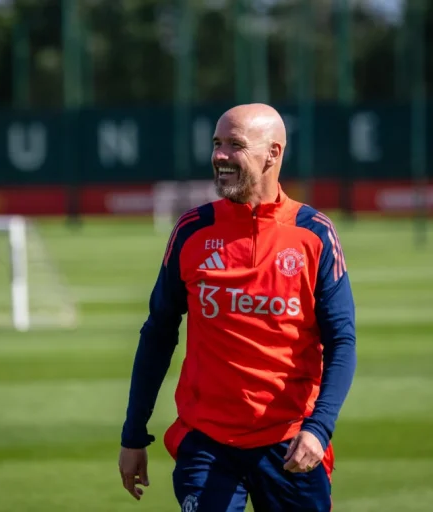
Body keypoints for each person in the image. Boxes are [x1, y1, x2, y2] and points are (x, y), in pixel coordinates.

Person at [118, 103, 357, 511]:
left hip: (290, 443)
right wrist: (133, 433)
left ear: (273, 153)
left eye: (235, 145)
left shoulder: (314, 234)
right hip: (207, 443)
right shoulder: (192, 230)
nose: (220, 156)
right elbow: (158, 332)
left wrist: (319, 429)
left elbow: (342, 341)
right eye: (217, 144)